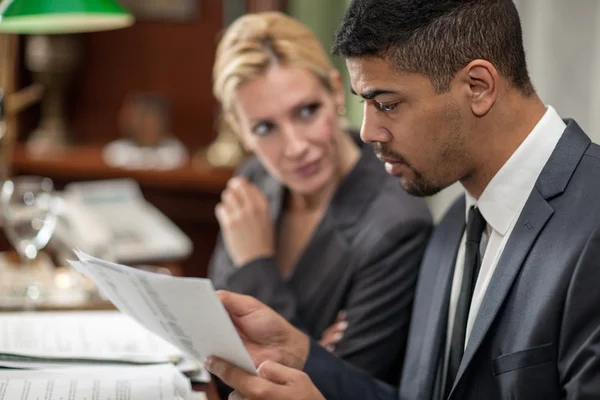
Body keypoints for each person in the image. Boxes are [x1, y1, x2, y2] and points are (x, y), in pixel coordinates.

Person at [204, 1, 600, 399]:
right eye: (365, 104)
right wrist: (300, 352)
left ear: (478, 87)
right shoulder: (451, 231)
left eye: (387, 105)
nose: (367, 132)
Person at [207, 11, 432, 385]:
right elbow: (219, 340)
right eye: (265, 128)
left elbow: (343, 386)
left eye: (307, 111)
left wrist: (255, 263)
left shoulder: (395, 225)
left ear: (334, 91)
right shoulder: (253, 181)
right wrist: (319, 349)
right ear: (239, 130)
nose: (295, 147)